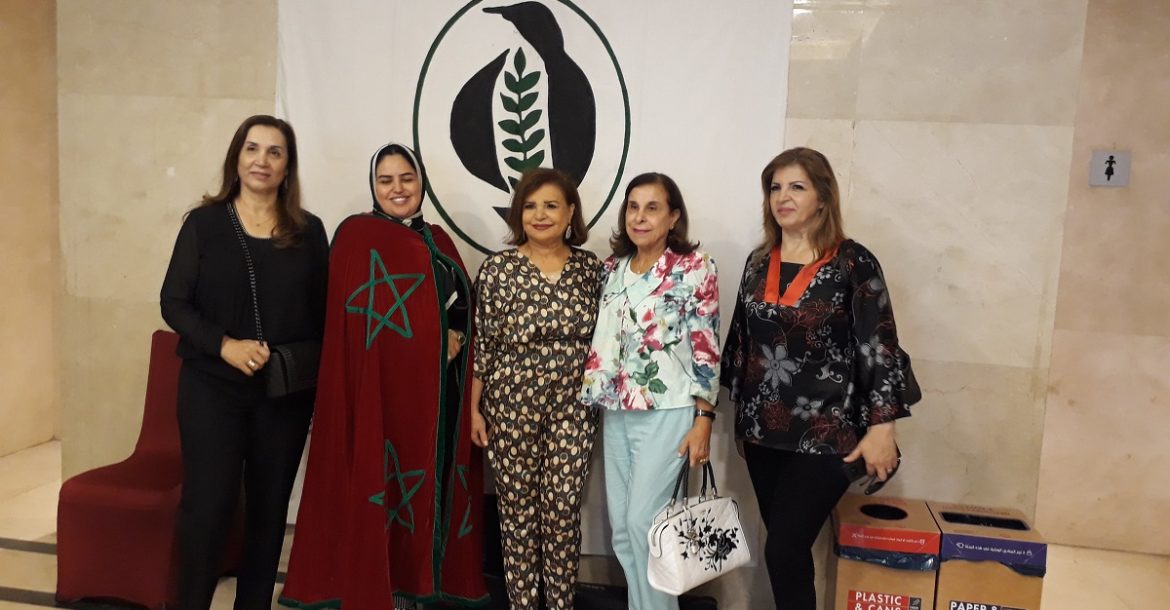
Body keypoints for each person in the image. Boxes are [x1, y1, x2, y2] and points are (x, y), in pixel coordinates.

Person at [280, 143, 487, 608]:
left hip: (430, 403)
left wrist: (454, 335)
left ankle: (416, 592)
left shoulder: (439, 240)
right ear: (373, 186)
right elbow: (348, 327)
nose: (398, 189)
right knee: (379, 486)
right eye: (385, 180)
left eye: (406, 178)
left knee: (423, 492)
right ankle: (378, 594)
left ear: (422, 182)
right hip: (376, 397)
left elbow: (461, 310)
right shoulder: (355, 237)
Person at [719, 147, 921, 610]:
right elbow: (741, 342)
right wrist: (741, 421)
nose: (783, 197)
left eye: (797, 186)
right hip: (764, 431)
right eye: (775, 188)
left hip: (829, 431)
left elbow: (879, 345)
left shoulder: (853, 262)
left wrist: (883, 428)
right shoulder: (758, 261)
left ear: (823, 197)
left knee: (783, 549)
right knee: (786, 554)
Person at [160, 114, 329, 610]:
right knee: (207, 510)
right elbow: (174, 303)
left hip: (283, 396)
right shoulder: (204, 224)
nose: (262, 160)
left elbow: (325, 316)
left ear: (287, 166)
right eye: (252, 149)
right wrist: (225, 345)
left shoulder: (308, 231)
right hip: (211, 389)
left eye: (275, 152)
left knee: (269, 513)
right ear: (237, 157)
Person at [580, 172, 720, 610]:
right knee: (624, 530)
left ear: (673, 217)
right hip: (616, 409)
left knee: (648, 524)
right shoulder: (612, 268)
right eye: (633, 207)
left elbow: (706, 345)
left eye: (652, 208)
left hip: (668, 409)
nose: (640, 217)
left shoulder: (694, 267)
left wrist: (704, 418)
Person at [470, 168, 603, 609]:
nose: (540, 215)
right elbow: (484, 345)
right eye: (530, 206)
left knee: (563, 510)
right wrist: (474, 409)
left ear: (570, 213)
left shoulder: (591, 269)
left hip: (573, 407)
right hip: (510, 406)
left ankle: (560, 603)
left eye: (551, 205)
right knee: (517, 513)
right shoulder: (497, 269)